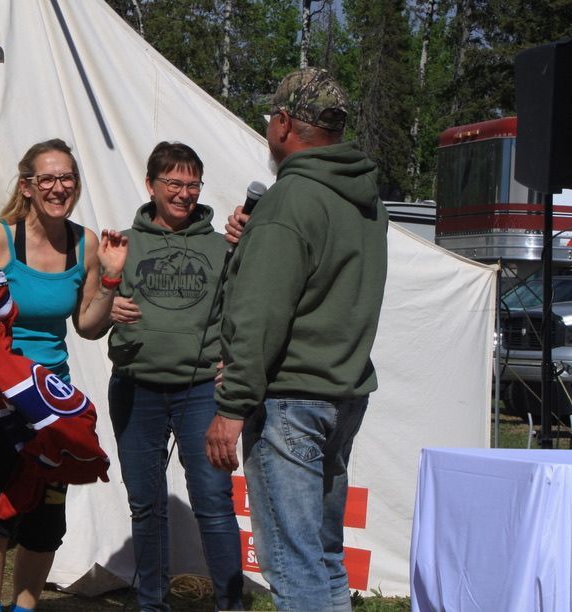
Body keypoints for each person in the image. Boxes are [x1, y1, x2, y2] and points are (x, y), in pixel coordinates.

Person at [206, 67, 389, 611]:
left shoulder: (292, 198)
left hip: (290, 401)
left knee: (293, 563)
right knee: (324, 557)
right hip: (343, 392)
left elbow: (261, 312)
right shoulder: (365, 200)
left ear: (284, 124)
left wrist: (232, 406)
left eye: (271, 121)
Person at [0, 138, 128, 612]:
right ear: (27, 186)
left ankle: (24, 609)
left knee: (47, 515)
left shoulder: (85, 244)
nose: (58, 187)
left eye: (66, 178)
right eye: (47, 178)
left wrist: (109, 282)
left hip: (47, 397)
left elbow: (86, 326)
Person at [106, 141, 244, 612]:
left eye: (192, 184)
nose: (184, 193)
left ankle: (231, 603)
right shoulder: (122, 243)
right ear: (151, 185)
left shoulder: (223, 245)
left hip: (201, 390)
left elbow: (242, 312)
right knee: (146, 506)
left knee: (213, 500)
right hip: (135, 388)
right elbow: (88, 314)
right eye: (174, 183)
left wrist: (233, 359)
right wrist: (108, 299)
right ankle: (152, 604)